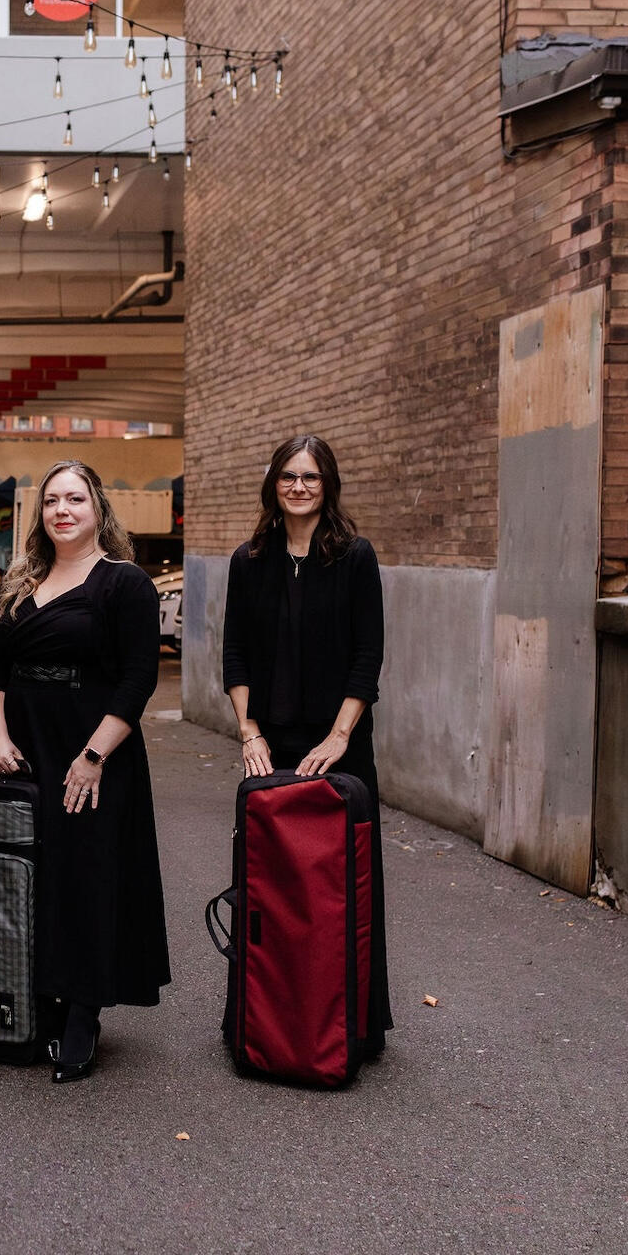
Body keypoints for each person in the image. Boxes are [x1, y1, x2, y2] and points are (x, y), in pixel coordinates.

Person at [0, 460, 170, 1084]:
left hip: (95, 750)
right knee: (37, 880)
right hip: (29, 750)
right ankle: (41, 1000)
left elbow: (140, 678)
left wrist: (93, 757)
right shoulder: (21, 583)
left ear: (98, 510)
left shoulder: (124, 584)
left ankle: (83, 1013)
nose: (63, 510)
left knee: (88, 877)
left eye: (76, 500)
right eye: (52, 501)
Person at [221, 434, 393, 1055]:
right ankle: (265, 1015)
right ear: (273, 484)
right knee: (271, 881)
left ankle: (350, 1023)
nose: (298, 487)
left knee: (344, 881)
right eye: (288, 477)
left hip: (340, 742)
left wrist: (340, 736)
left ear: (328, 485)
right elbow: (234, 653)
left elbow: (367, 657)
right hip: (271, 741)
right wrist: (249, 733)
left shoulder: (354, 557)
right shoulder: (249, 559)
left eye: (311, 478)